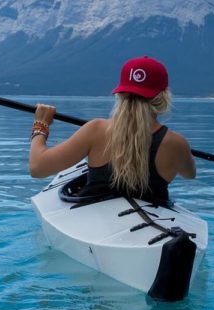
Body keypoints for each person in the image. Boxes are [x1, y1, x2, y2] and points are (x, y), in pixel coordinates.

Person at [28, 56, 196, 205]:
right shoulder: (177, 143)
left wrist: (40, 125)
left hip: (93, 218)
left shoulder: (96, 130)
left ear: (120, 94)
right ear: (163, 98)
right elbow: (190, 174)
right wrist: (182, 153)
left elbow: (37, 167)